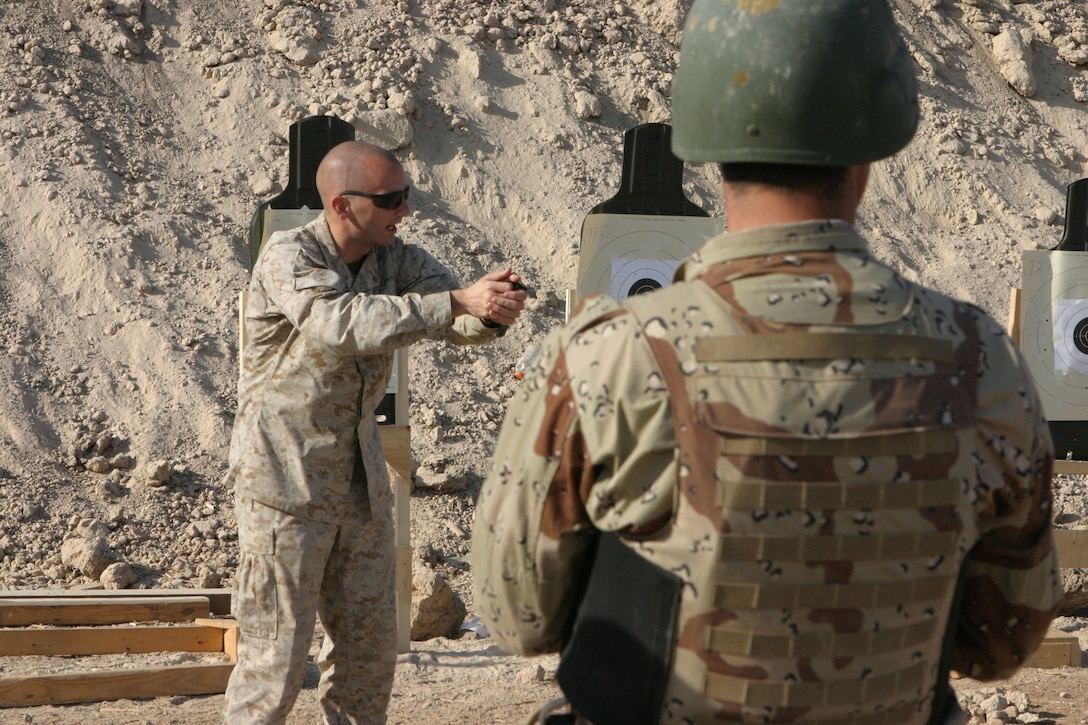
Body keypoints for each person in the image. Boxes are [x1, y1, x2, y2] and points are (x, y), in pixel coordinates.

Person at [470, 1, 1063, 723]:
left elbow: (518, 614)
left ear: (707, 144)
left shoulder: (610, 354)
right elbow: (1001, 644)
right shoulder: (980, 358)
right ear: (870, 153)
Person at [224, 140, 526, 724]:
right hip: (285, 484)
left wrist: (489, 310)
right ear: (342, 204)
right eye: (390, 199)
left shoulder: (396, 258)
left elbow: (454, 315)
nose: (404, 210)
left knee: (368, 655)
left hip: (359, 484)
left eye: (406, 195)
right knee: (274, 661)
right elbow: (338, 324)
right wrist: (457, 301)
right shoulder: (290, 256)